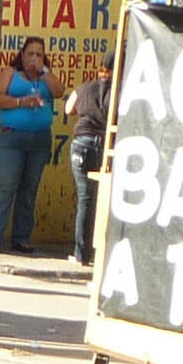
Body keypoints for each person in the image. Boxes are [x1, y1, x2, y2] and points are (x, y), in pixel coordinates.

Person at [0, 35, 66, 256]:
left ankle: (21, 238)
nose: (34, 58)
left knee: (29, 189)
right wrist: (21, 102)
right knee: (7, 185)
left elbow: (59, 91)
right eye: (30, 54)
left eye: (39, 54)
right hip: (11, 137)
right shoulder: (11, 73)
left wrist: (44, 70)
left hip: (39, 139)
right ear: (22, 55)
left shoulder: (46, 77)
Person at [65, 54, 113, 267]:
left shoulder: (86, 87)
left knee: (86, 198)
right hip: (107, 144)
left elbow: (68, 109)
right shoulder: (121, 90)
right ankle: (104, 252)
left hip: (82, 142)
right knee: (108, 198)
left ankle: (81, 254)